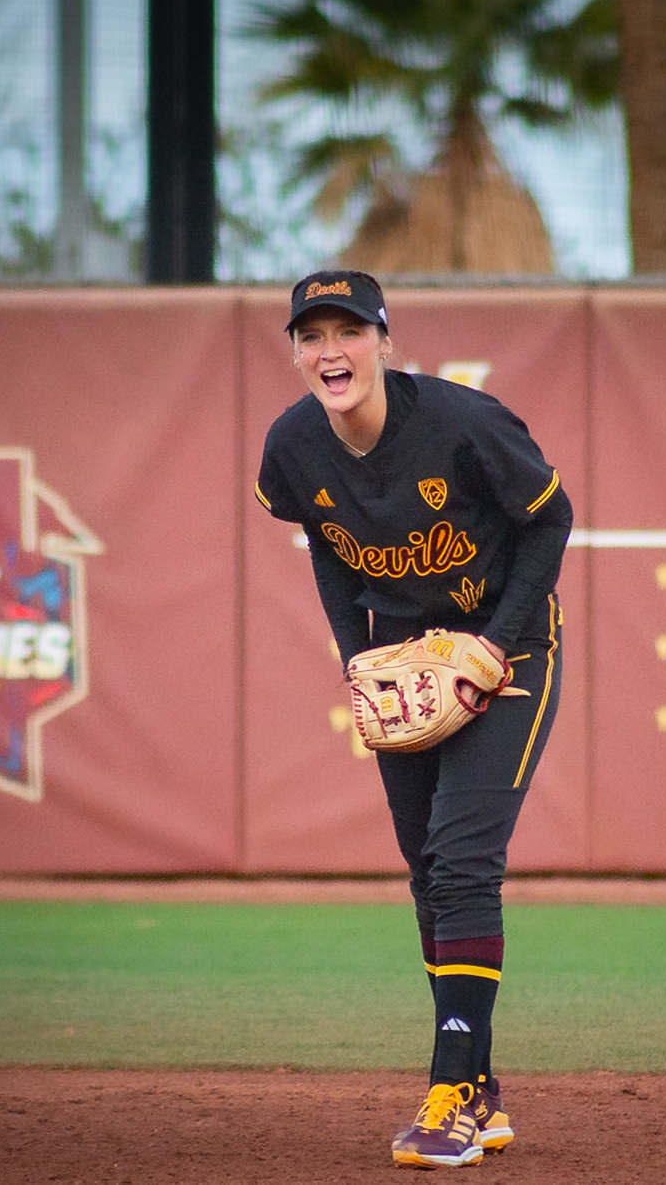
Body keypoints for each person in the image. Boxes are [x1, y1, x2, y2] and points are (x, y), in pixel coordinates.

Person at [254, 270, 572, 1169]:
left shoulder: (465, 423)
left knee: (465, 861)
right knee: (429, 872)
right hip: (400, 663)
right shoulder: (293, 446)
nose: (330, 352)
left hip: (509, 655)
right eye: (310, 337)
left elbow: (553, 522)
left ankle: (450, 1097)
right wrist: (351, 651)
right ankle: (481, 1081)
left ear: (385, 341)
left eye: (347, 331)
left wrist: (495, 643)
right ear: (296, 354)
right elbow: (321, 541)